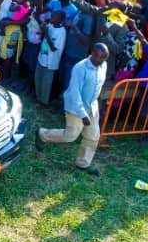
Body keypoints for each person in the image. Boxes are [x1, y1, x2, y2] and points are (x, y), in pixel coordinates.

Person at [34, 43, 109, 175]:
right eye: (98, 57)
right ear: (92, 52)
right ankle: (42, 134)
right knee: (70, 136)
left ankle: (83, 163)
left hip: (92, 106)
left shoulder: (103, 66)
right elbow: (74, 93)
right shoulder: (80, 68)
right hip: (76, 107)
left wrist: (93, 109)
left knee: (92, 136)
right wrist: (83, 115)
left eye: (104, 58)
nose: (100, 60)